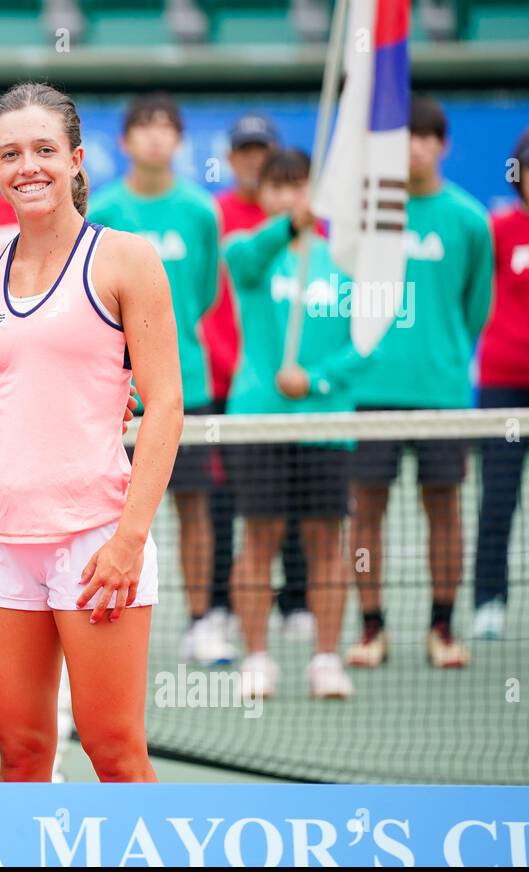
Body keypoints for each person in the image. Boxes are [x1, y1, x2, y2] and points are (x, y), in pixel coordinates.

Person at [0, 81, 181, 782]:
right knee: (21, 755)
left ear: (75, 159)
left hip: (97, 541)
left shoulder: (126, 259)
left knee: (116, 753)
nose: (28, 166)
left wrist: (128, 540)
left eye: (44, 149)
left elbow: (166, 406)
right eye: (10, 154)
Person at [346, 96, 493, 670]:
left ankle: (442, 627)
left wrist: (443, 352)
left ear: (443, 145)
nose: (417, 148)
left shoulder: (469, 220)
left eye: (428, 137)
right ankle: (371, 628)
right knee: (365, 511)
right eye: (408, 136)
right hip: (369, 390)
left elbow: (475, 308)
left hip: (441, 393)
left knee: (445, 509)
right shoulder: (364, 215)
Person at [88, 92, 229, 667]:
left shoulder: (201, 212)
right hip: (115, 391)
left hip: (185, 385)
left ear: (178, 140)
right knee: (109, 512)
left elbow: (206, 293)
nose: (153, 136)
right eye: (142, 127)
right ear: (124, 141)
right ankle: (106, 615)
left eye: (164, 126)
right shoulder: (103, 209)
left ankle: (201, 622)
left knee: (195, 507)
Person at [224, 148, 361, 700]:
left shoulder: (344, 262)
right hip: (260, 423)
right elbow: (246, 259)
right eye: (277, 187)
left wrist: (317, 380)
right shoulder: (248, 250)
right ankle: (257, 657)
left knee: (326, 541)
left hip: (326, 425)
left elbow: (367, 344)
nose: (288, 197)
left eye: (299, 186)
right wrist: (287, 226)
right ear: (262, 195)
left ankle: (326, 659)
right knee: (259, 538)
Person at [203, 114, 314, 647]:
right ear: (230, 158)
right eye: (243, 151)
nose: (252, 159)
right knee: (230, 503)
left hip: (289, 392)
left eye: (261, 151)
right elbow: (210, 294)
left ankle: (296, 601)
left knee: (299, 500)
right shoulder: (217, 215)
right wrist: (229, 364)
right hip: (228, 384)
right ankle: (222, 605)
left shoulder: (311, 230)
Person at [473, 124, 529, 642]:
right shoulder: (497, 230)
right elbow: (473, 295)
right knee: (498, 496)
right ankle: (489, 600)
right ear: (519, 174)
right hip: (503, 384)